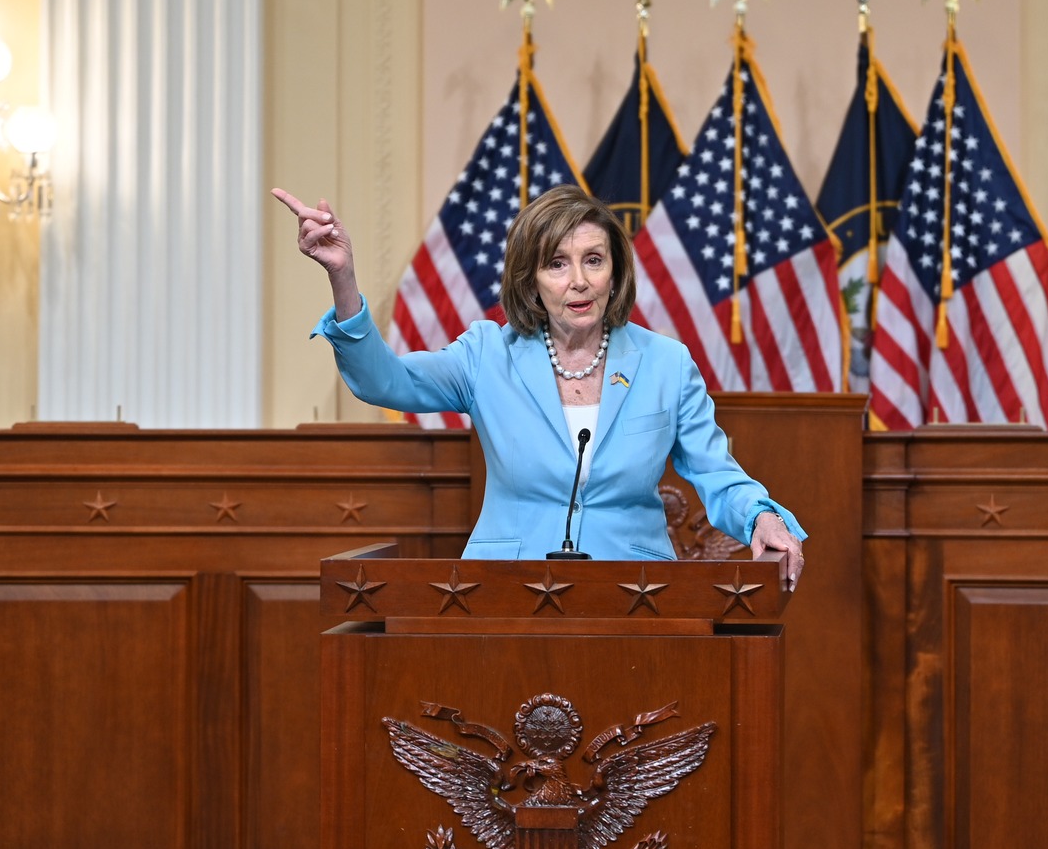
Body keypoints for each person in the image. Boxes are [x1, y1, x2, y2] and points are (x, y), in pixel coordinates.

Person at [272, 184, 806, 589]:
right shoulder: (486, 356)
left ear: (615, 275)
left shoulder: (666, 364)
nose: (578, 280)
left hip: (634, 594)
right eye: (557, 264)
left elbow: (717, 473)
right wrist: (342, 277)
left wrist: (764, 517)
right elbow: (382, 380)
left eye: (593, 261)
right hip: (505, 590)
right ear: (530, 280)